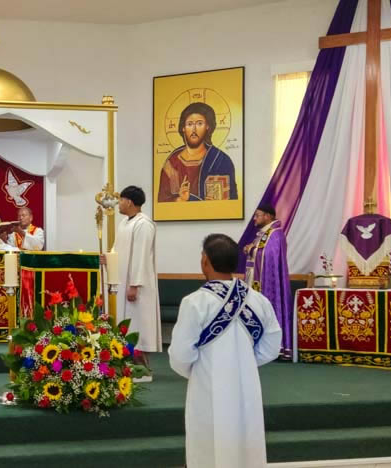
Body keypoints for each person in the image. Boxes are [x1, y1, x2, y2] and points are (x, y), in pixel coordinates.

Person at [169, 234, 281, 468]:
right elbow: (272, 347)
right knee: (246, 440)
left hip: (207, 385)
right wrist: (243, 362)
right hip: (246, 385)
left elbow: (180, 355)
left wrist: (199, 370)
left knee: (209, 443)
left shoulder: (195, 302)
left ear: (205, 261)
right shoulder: (258, 300)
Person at [106, 186, 161, 379]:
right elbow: (117, 250)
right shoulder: (124, 223)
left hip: (136, 287)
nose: (118, 203)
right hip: (122, 284)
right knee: (125, 326)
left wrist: (135, 285)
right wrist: (108, 258)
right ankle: (127, 367)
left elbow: (141, 257)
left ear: (129, 202)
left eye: (121, 200)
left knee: (137, 327)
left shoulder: (144, 225)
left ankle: (143, 370)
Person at [157, 102, 238, 202]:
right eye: (189, 124)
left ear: (208, 126)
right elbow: (162, 202)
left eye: (199, 123)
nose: (194, 129)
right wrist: (180, 199)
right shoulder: (172, 163)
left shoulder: (220, 160)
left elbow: (231, 202)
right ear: (183, 128)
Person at [244, 204, 292, 360]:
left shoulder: (275, 234)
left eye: (257, 215)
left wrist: (251, 250)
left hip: (269, 283)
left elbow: (269, 255)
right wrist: (251, 249)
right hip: (256, 281)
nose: (254, 219)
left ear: (268, 216)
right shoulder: (263, 233)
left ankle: (275, 347)